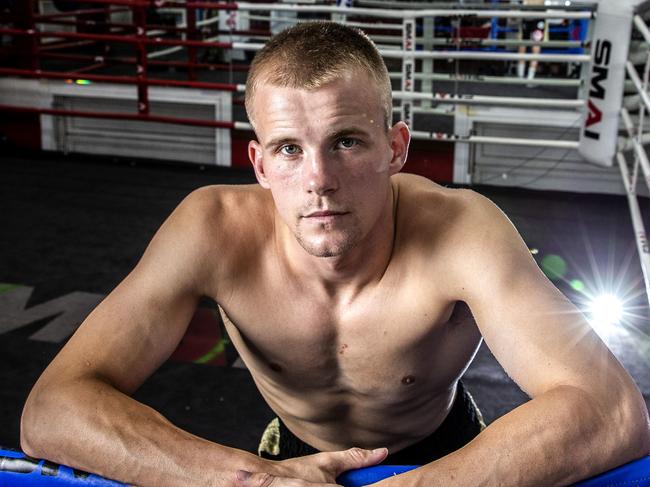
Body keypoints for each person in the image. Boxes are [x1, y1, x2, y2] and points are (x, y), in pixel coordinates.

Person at [21, 21, 649, 487]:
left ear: (396, 147)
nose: (319, 179)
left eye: (346, 141)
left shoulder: (463, 230)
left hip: (448, 453)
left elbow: (612, 409)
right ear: (260, 164)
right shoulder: (211, 228)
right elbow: (53, 410)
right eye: (290, 149)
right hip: (287, 462)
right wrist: (250, 480)